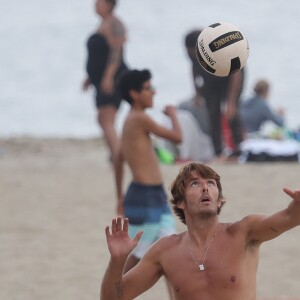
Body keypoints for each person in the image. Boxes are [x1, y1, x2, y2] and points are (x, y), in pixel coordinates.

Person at [101, 162, 300, 299]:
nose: (205, 188)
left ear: (219, 199)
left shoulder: (245, 232)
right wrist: (117, 261)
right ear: (180, 202)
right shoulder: (165, 251)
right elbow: (113, 298)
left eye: (211, 183)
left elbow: (289, 217)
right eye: (196, 184)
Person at [114, 69, 182, 299]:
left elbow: (119, 158)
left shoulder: (129, 121)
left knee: (171, 251)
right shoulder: (138, 118)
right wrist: (172, 113)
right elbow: (178, 137)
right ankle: (112, 294)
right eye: (149, 88)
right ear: (134, 93)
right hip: (144, 196)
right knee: (135, 253)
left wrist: (119, 195)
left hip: (156, 196)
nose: (154, 92)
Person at [184, 29, 245, 158]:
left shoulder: (219, 48)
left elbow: (236, 74)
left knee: (231, 113)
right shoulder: (192, 54)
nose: (192, 55)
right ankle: (218, 152)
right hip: (211, 79)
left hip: (232, 75)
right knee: (212, 113)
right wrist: (197, 93)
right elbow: (194, 70)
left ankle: (239, 149)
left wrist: (231, 102)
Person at [82, 0, 128, 165]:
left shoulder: (115, 24)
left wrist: (108, 77)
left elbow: (116, 54)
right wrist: (89, 77)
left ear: (109, 4)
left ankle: (117, 157)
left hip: (113, 79)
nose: (95, 5)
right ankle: (115, 154)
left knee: (106, 118)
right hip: (100, 79)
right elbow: (98, 55)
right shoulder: (103, 24)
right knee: (103, 119)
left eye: (99, 2)